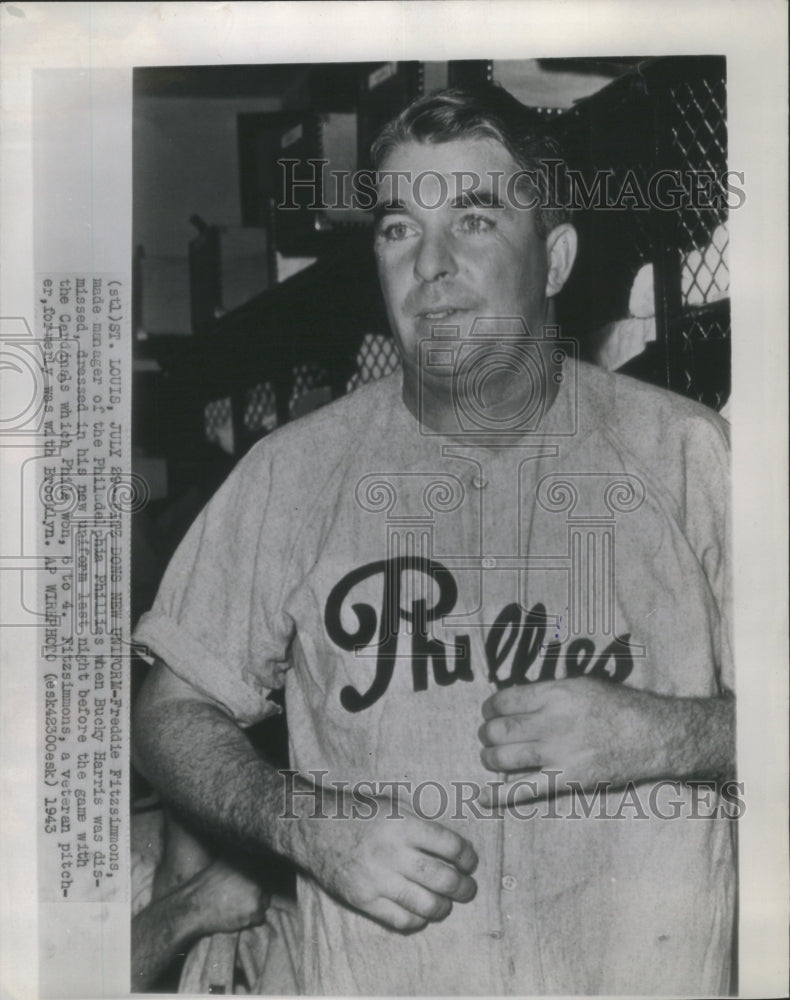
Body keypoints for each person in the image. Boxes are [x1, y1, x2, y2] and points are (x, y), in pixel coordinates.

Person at [133, 85, 735, 995]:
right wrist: (310, 828)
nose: (433, 264)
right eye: (398, 230)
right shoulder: (291, 475)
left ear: (558, 256)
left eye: (476, 220)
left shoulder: (694, 454)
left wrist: (669, 736)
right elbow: (170, 713)